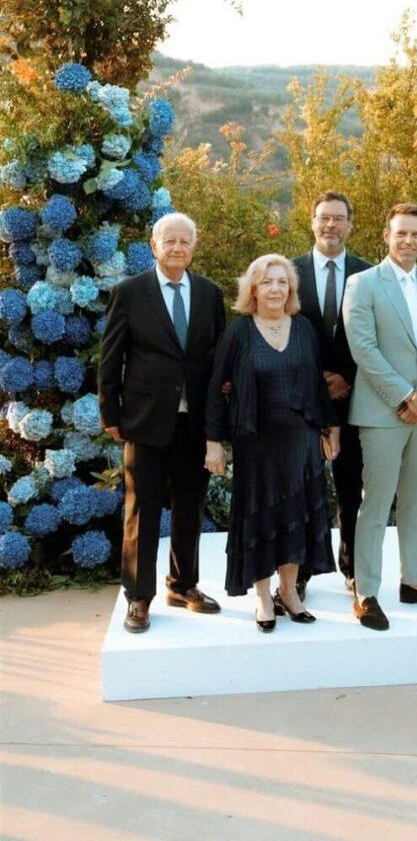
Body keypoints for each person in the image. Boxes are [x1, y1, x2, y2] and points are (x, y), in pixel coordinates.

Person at [98, 212, 226, 634]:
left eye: (184, 241)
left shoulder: (209, 294)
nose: (177, 248)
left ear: (194, 246)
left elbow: (217, 362)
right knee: (143, 513)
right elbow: (110, 358)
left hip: (194, 425)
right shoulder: (130, 293)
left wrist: (218, 423)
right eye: (169, 241)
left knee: (190, 508)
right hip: (145, 423)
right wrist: (110, 414)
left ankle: (183, 585)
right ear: (154, 245)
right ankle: (138, 597)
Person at [205, 254, 339, 631]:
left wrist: (332, 428)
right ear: (253, 290)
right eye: (267, 282)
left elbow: (318, 385)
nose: (275, 289)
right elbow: (216, 389)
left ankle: (289, 592)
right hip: (256, 444)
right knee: (261, 517)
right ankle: (263, 596)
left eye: (282, 282)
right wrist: (213, 441)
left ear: (291, 289)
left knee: (295, 516)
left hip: (301, 443)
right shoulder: (239, 332)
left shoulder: (304, 328)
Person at [343, 202, 417, 631]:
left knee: (415, 498)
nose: (408, 240)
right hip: (382, 412)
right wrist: (406, 396)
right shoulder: (363, 284)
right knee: (375, 502)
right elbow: (364, 349)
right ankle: (367, 591)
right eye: (400, 233)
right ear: (386, 236)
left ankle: (414, 580)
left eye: (415, 234)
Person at [294, 191, 371, 595]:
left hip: (353, 397)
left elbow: (378, 336)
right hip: (301, 399)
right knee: (302, 487)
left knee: (350, 487)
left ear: (350, 225)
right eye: (324, 217)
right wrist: (314, 379)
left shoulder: (369, 274)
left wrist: (348, 377)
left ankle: (352, 567)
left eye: (339, 218)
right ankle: (299, 570)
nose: (331, 225)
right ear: (312, 222)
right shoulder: (288, 272)